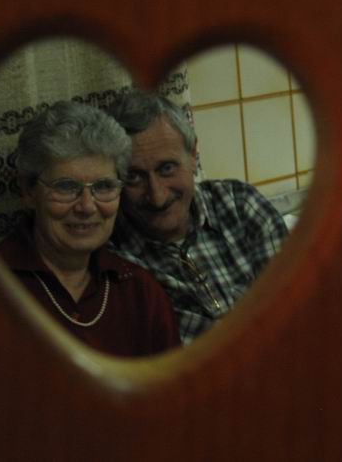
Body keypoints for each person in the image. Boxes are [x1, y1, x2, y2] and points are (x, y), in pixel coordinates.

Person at [0, 101, 181, 357]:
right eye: (65, 187)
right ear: (28, 190)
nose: (86, 207)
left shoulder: (140, 291)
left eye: (104, 187)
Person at [106, 91, 289, 344]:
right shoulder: (115, 260)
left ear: (193, 156)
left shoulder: (240, 206)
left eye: (167, 168)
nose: (157, 197)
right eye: (134, 177)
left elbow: (296, 305)